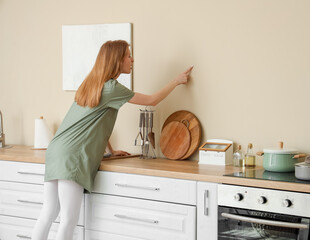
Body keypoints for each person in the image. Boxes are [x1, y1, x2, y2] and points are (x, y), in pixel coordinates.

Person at [31, 40, 193, 240]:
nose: (132, 59)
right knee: (68, 220)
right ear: (117, 60)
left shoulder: (90, 84)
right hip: (72, 155)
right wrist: (176, 81)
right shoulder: (112, 88)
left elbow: (94, 123)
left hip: (56, 150)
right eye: (128, 55)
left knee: (48, 213)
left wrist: (111, 149)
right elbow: (152, 101)